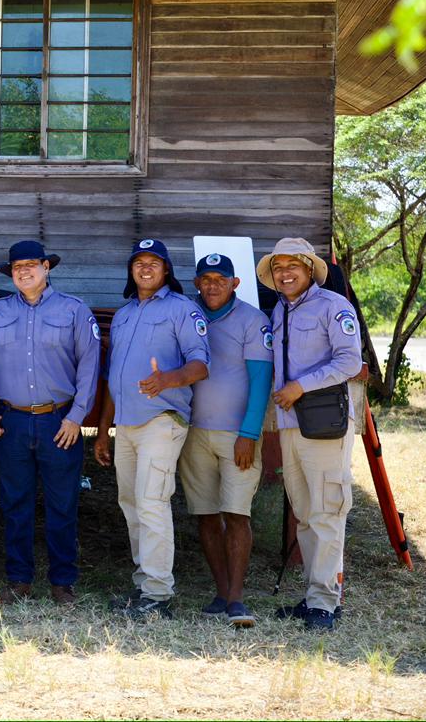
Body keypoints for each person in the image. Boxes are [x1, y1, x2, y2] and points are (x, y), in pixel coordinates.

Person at [0, 241, 100, 606]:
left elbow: (89, 368)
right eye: (17, 267)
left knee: (62, 504)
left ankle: (62, 582)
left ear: (47, 267)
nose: (24, 272)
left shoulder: (74, 311)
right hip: (10, 422)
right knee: (15, 504)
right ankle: (19, 580)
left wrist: (77, 418)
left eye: (31, 265)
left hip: (58, 422)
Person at [94, 238, 210, 620]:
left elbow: (200, 364)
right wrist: (103, 429)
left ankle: (159, 595)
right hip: (126, 426)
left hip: (162, 420)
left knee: (152, 502)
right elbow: (114, 377)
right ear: (131, 271)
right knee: (130, 503)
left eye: (154, 262)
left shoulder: (183, 309)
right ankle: (144, 584)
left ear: (166, 271)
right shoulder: (125, 314)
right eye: (138, 262)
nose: (145, 268)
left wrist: (168, 380)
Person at [260, 237, 362, 631]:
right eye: (278, 268)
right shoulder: (280, 312)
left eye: (292, 267)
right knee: (304, 513)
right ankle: (314, 597)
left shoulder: (334, 307)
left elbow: (350, 361)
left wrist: (302, 386)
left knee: (327, 511)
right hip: (290, 425)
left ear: (308, 269)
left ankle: (326, 603)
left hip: (324, 423)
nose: (284, 274)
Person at [178, 254, 274, 627]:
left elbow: (261, 380)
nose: (213, 285)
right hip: (194, 433)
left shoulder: (253, 320)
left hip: (237, 435)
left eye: (221, 278)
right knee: (204, 514)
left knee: (236, 513)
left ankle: (237, 598)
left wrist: (249, 434)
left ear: (235, 284)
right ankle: (220, 592)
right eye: (206, 278)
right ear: (197, 283)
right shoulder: (187, 315)